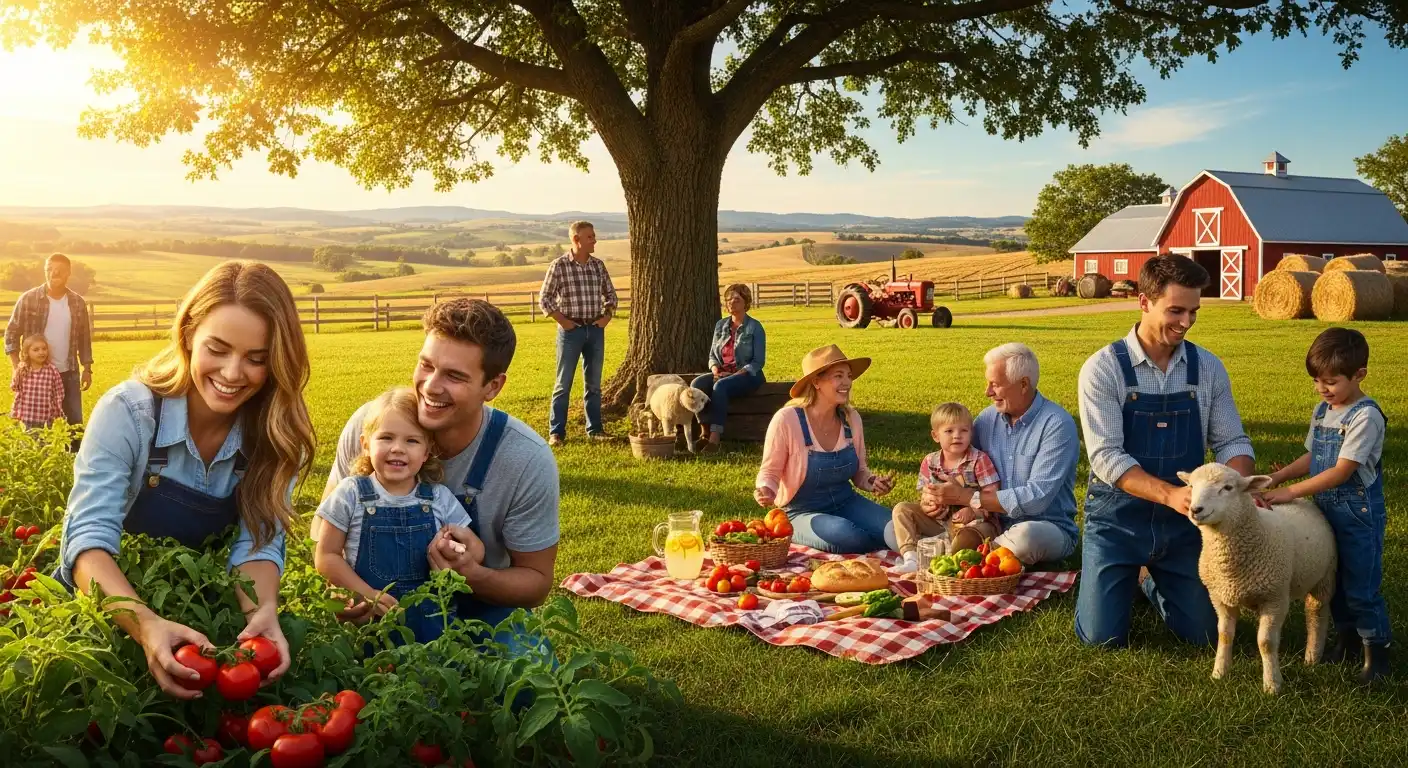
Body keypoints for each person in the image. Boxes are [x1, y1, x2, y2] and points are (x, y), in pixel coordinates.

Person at [57, 261, 314, 699]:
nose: (233, 374)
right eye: (218, 348)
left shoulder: (276, 434)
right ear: (188, 334)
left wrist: (261, 611)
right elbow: (87, 541)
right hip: (98, 632)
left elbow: (258, 541)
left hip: (201, 636)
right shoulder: (130, 413)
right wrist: (146, 625)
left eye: (256, 359)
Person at [316, 298, 560, 648]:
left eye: (455, 376)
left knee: (527, 679)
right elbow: (327, 542)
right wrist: (344, 593)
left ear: (492, 386)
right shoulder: (371, 425)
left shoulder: (525, 458)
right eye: (426, 365)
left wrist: (473, 575)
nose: (430, 386)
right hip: (376, 603)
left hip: (485, 603)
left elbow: (536, 582)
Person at [1074, 255, 1254, 649]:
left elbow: (1232, 442)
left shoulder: (1208, 367)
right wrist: (1171, 494)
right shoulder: (1102, 369)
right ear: (1144, 302)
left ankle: (1149, 581)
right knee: (1102, 640)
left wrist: (1238, 485)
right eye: (1175, 310)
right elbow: (1107, 457)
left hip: (1186, 523)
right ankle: (1125, 573)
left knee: (1206, 636)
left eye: (1194, 311)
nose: (1186, 322)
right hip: (1118, 521)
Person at [1259, 327, 1390, 683]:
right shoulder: (1324, 410)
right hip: (1325, 512)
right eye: (1317, 381)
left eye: (1331, 382)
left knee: (1361, 585)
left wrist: (1291, 494)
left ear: (1359, 375)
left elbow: (1341, 471)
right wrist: (1279, 477)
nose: (1322, 389)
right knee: (1333, 583)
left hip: (1357, 514)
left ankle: (1376, 655)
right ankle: (1346, 642)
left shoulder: (1365, 416)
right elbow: (1313, 455)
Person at [314, 387, 472, 643]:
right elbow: (326, 556)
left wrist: (456, 550)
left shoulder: (438, 498)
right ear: (365, 444)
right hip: (369, 624)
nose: (397, 449)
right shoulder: (351, 494)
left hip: (432, 628)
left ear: (426, 452)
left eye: (411, 441)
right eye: (386, 438)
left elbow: (470, 547)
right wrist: (366, 594)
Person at [922, 343, 1080, 566]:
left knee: (1026, 536)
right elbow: (958, 462)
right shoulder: (987, 419)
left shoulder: (1057, 425)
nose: (987, 392)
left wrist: (966, 497)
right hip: (989, 523)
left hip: (1045, 526)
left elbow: (1037, 498)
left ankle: (965, 559)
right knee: (895, 527)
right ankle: (978, 557)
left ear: (1023, 384)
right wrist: (934, 496)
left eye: (995, 385)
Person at [754, 344, 896, 554]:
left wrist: (873, 482)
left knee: (896, 526)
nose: (847, 382)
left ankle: (896, 546)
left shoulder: (851, 418)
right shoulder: (787, 420)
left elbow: (860, 472)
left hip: (846, 502)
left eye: (848, 376)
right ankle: (878, 545)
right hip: (800, 511)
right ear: (816, 382)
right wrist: (766, 490)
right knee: (846, 535)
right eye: (838, 376)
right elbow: (769, 472)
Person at [891, 402, 1001, 572]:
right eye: (949, 431)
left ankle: (949, 561)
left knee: (970, 534)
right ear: (936, 436)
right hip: (940, 521)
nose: (957, 436)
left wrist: (972, 511)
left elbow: (993, 497)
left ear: (971, 433)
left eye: (963, 430)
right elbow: (924, 495)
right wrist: (927, 506)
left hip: (977, 522)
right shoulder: (930, 461)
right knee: (901, 509)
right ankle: (911, 558)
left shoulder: (979, 460)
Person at [539, 221, 618, 446]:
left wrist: (606, 317)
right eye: (590, 237)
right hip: (570, 331)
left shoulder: (598, 266)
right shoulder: (559, 266)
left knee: (593, 384)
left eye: (594, 236)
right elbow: (544, 298)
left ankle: (595, 429)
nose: (594, 240)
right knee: (563, 384)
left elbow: (611, 295)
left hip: (594, 330)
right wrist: (563, 321)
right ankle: (556, 433)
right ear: (576, 240)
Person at [4, 252, 93, 432]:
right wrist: (17, 367)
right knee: (35, 426)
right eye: (49, 269)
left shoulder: (77, 302)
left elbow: (84, 338)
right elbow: (11, 334)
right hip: (36, 375)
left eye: (60, 271)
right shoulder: (28, 299)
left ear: (68, 273)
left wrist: (87, 368)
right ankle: (38, 458)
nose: (54, 274)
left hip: (69, 372)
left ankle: (73, 459)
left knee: (74, 425)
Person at [691, 283, 766, 453]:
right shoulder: (720, 326)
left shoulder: (755, 327)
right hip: (723, 373)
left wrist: (739, 373)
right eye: (729, 299)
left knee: (721, 386)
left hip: (749, 375)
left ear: (746, 302)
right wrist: (715, 369)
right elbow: (712, 356)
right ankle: (704, 432)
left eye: (737, 299)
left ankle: (715, 439)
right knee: (697, 385)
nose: (732, 302)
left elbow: (758, 362)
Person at [9, 333, 65, 428]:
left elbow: (59, 394)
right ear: (27, 352)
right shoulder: (22, 370)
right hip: (25, 417)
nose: (41, 352)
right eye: (36, 350)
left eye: (44, 349)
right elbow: (15, 388)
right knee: (26, 441)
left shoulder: (51, 370)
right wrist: (17, 373)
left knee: (43, 442)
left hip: (45, 418)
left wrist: (57, 413)